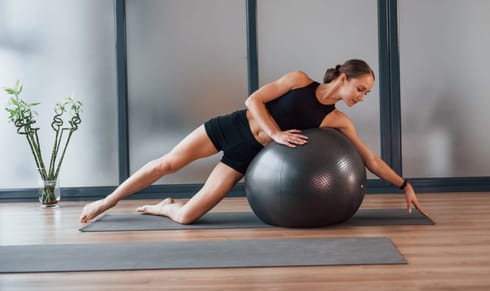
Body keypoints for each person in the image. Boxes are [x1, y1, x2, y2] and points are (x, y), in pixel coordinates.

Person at [80, 59, 428, 224]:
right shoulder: (298, 80)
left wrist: (404, 184)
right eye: (361, 89)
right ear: (343, 77)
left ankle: (162, 206)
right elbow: (253, 101)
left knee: (186, 217)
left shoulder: (336, 120)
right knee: (166, 163)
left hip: (246, 157)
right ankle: (105, 202)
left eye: (367, 93)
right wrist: (275, 133)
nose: (363, 97)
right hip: (232, 127)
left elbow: (370, 160)